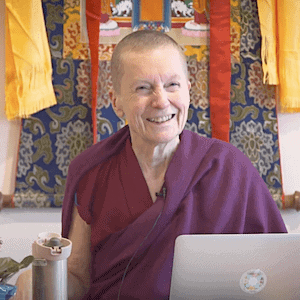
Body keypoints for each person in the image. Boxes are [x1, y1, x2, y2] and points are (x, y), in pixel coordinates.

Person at [13, 30, 287, 300]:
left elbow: (276, 271)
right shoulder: (91, 171)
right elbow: (78, 280)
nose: (161, 101)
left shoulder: (228, 167)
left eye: (172, 85)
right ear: (116, 102)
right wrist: (41, 280)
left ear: (189, 91)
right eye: (143, 88)